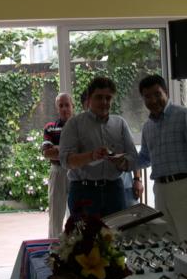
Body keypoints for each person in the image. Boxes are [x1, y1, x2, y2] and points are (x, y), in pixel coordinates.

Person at [137, 74, 187, 248]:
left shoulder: (185, 116)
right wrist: (122, 162)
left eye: (157, 94)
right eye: (147, 96)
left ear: (167, 92)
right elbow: (144, 158)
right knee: (167, 243)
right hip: (160, 190)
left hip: (185, 188)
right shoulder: (148, 127)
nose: (153, 100)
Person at [59, 77, 138, 217]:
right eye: (99, 97)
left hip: (114, 191)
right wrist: (91, 156)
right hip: (83, 191)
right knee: (84, 232)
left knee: (117, 231)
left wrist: (122, 162)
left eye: (108, 98)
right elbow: (66, 161)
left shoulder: (120, 124)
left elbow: (133, 158)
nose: (104, 102)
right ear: (89, 99)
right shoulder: (74, 124)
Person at [78, 85, 144, 208]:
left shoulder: (118, 123)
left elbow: (133, 154)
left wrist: (137, 180)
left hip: (124, 184)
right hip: (93, 189)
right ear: (85, 106)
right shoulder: (79, 127)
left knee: (127, 216)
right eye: (91, 104)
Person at [42, 93, 74, 237]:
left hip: (76, 172)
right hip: (58, 172)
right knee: (55, 215)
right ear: (57, 108)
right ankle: (54, 247)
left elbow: (83, 150)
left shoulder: (79, 127)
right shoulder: (50, 128)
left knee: (77, 215)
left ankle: (75, 246)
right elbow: (47, 153)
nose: (64, 108)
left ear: (72, 106)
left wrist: (57, 148)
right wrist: (69, 150)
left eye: (67, 105)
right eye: (61, 106)